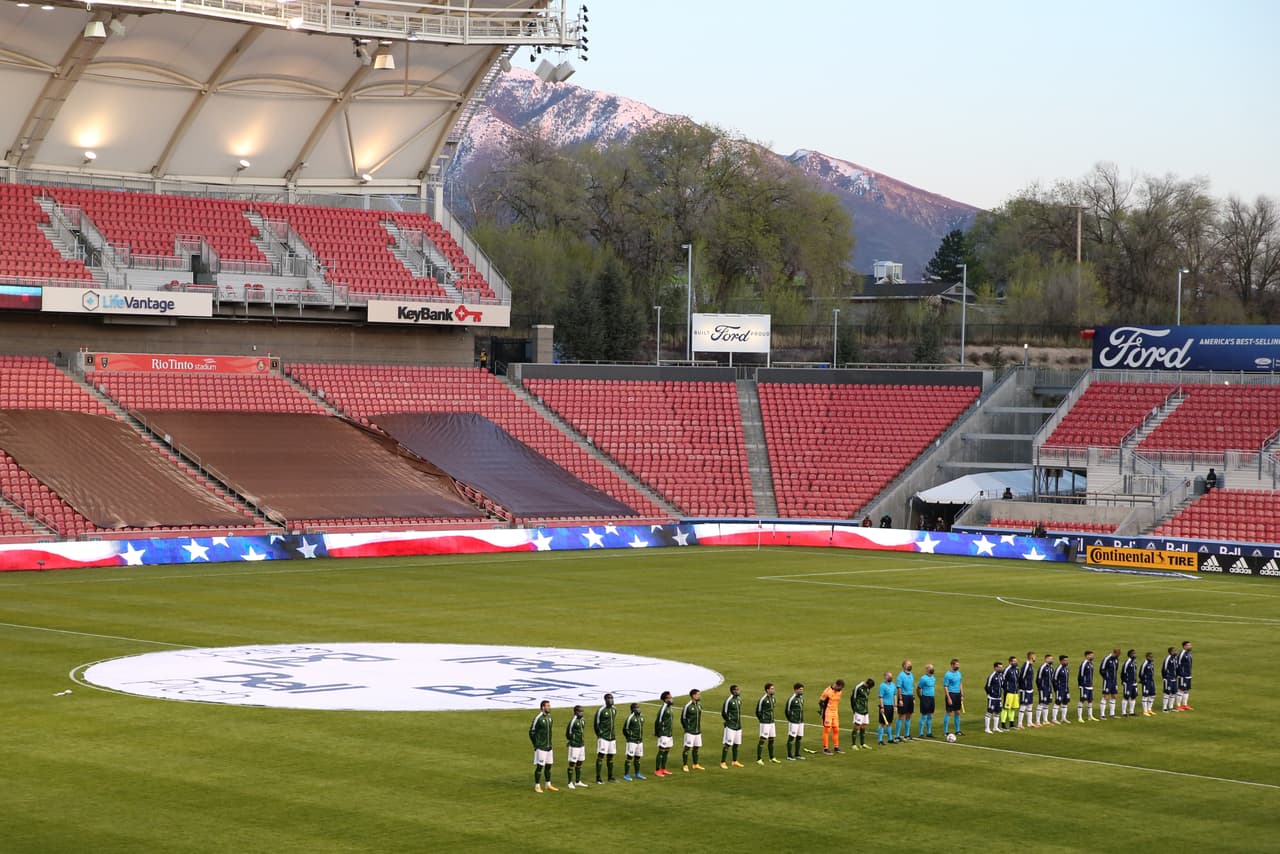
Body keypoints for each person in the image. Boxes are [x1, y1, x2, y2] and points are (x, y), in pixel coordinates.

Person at [529, 700, 558, 793]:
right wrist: (536, 744)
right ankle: (537, 786)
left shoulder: (550, 718)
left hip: (549, 746)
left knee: (549, 766)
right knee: (540, 766)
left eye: (549, 705)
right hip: (541, 747)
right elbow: (532, 731)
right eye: (547, 706)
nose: (549, 707)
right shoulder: (538, 718)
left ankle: (548, 785)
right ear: (542, 707)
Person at [593, 693, 618, 783]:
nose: (611, 700)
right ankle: (598, 778)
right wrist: (599, 735)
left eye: (612, 698)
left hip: (612, 737)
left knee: (611, 757)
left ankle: (610, 776)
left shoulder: (614, 709)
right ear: (605, 700)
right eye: (609, 698)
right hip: (603, 737)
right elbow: (596, 723)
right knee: (601, 756)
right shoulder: (601, 710)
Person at [755, 683, 781, 765]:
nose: (773, 690)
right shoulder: (763, 699)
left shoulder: (773, 699)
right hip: (765, 723)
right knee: (762, 740)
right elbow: (758, 711)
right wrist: (762, 720)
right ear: (767, 690)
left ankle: (771, 757)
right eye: (772, 689)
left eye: (773, 688)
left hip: (772, 722)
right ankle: (758, 758)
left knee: (772, 740)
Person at [720, 684, 744, 768]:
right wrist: (729, 721)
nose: (738, 691)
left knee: (736, 744)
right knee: (728, 744)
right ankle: (723, 762)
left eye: (738, 689)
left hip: (738, 725)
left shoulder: (739, 699)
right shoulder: (728, 700)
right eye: (736, 690)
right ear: (732, 691)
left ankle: (734, 761)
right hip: (730, 726)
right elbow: (724, 713)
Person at [564, 704, 588, 789]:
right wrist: (572, 740)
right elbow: (568, 733)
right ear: (575, 712)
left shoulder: (582, 720)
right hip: (574, 745)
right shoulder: (573, 721)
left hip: (581, 744)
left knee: (580, 762)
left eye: (582, 711)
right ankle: (569, 782)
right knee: (572, 763)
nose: (582, 713)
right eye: (580, 711)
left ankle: (578, 781)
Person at [681, 689, 705, 771]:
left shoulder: (699, 705)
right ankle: (685, 765)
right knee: (687, 748)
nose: (699, 696)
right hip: (690, 731)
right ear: (693, 696)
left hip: (697, 731)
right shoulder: (688, 706)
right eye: (698, 694)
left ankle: (695, 764)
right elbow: (683, 718)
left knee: (696, 748)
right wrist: (687, 728)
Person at [819, 679, 845, 753]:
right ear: (836, 685)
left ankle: (836, 747)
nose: (840, 690)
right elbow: (821, 701)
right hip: (828, 712)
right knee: (827, 730)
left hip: (835, 712)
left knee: (836, 729)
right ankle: (825, 748)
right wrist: (822, 711)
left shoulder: (839, 691)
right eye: (839, 688)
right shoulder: (827, 691)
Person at [653, 691, 675, 776]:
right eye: (669, 698)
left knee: (666, 751)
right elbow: (658, 721)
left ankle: (663, 768)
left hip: (669, 733)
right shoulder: (663, 708)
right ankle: (657, 770)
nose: (671, 699)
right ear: (665, 699)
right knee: (661, 751)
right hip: (663, 733)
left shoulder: (670, 707)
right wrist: (657, 732)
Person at [622, 702, 646, 781]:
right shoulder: (630, 718)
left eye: (639, 707)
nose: (639, 709)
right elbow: (625, 729)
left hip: (639, 741)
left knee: (638, 757)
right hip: (632, 741)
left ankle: (637, 773)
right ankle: (626, 774)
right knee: (629, 757)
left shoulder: (641, 717)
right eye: (637, 707)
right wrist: (629, 737)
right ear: (633, 709)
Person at [942, 658, 964, 736]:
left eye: (958, 665)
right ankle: (945, 731)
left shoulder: (959, 673)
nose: (958, 666)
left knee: (957, 712)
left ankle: (957, 730)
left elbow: (960, 683)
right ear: (952, 665)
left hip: (958, 694)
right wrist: (948, 698)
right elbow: (945, 686)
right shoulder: (947, 675)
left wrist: (962, 694)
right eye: (956, 665)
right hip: (951, 694)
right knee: (949, 712)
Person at [851, 677, 875, 748]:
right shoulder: (858, 687)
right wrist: (854, 709)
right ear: (867, 683)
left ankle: (862, 744)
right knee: (856, 726)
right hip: (858, 710)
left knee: (864, 726)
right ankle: (854, 744)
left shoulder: (868, 688)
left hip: (865, 710)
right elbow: (853, 698)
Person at [785, 682, 806, 760]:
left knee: (799, 737)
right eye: (800, 689)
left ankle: (797, 754)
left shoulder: (801, 698)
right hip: (794, 722)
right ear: (795, 690)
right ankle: (789, 755)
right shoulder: (791, 699)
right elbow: (787, 711)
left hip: (801, 721)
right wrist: (791, 719)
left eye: (802, 689)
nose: (802, 691)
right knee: (791, 738)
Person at [895, 661, 915, 742]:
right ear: (904, 666)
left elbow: (912, 687)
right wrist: (900, 699)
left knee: (909, 715)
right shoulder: (901, 675)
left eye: (910, 664)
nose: (910, 665)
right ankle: (897, 736)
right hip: (903, 696)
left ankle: (907, 735)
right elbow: (899, 687)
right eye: (908, 664)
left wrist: (913, 697)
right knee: (901, 716)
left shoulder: (911, 675)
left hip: (910, 697)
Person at [916, 664, 937, 738]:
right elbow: (918, 689)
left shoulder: (934, 678)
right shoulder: (923, 678)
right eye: (931, 668)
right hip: (925, 698)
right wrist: (921, 698)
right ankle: (921, 733)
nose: (932, 669)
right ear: (927, 669)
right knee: (924, 716)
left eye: (932, 668)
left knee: (930, 715)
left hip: (931, 698)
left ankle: (929, 732)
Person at [877, 671, 897, 745]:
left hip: (891, 706)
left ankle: (890, 739)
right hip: (884, 706)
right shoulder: (882, 686)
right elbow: (881, 697)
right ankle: (880, 740)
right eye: (889, 676)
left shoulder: (893, 685)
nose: (890, 677)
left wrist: (895, 705)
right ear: (885, 677)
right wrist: (882, 707)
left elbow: (895, 695)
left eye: (891, 676)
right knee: (882, 723)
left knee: (890, 723)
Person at [984, 661, 1005, 734]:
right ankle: (987, 728)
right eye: (999, 667)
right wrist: (991, 694)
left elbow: (1001, 685)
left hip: (998, 698)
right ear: (995, 667)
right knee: (989, 712)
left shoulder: (1000, 675)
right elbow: (987, 686)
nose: (1001, 669)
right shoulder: (992, 676)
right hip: (992, 698)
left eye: (1001, 667)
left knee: (997, 712)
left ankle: (995, 727)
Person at [1001, 655, 1020, 730]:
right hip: (1008, 692)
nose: (1016, 662)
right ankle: (1003, 724)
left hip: (1015, 692)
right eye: (1014, 661)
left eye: (1016, 661)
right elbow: (1002, 679)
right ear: (1010, 662)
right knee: (1006, 708)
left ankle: (1011, 724)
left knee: (1013, 707)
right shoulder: (1007, 669)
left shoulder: (1016, 669)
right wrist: (1006, 688)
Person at [1099, 648, 1119, 721]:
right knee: (1105, 697)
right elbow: (1101, 669)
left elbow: (1115, 669)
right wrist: (1106, 677)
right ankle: (1102, 715)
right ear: (1114, 653)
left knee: (1114, 696)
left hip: (1114, 681)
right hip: (1107, 681)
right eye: (1117, 654)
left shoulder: (1116, 659)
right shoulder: (1107, 659)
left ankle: (1112, 714)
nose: (1118, 656)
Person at [1017, 653, 1037, 729]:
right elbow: (1021, 677)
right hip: (1025, 689)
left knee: (1030, 706)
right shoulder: (1026, 665)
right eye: (1035, 656)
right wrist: (1022, 687)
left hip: (1030, 689)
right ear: (1031, 657)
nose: (1035, 658)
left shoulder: (1030, 665)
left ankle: (1029, 722)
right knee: (1023, 706)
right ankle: (1019, 724)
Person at [1077, 650, 1097, 722]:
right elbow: (1080, 675)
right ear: (1087, 656)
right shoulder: (1084, 664)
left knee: (1090, 701)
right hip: (1084, 686)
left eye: (1093, 655)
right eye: (1091, 655)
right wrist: (1081, 685)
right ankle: (1080, 717)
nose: (1092, 656)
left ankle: (1090, 716)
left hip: (1090, 685)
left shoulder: (1091, 664)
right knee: (1082, 700)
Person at [1036, 653, 1056, 726]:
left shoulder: (1051, 668)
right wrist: (1040, 688)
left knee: (1047, 704)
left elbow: (1052, 679)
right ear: (1046, 659)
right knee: (1041, 703)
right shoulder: (1042, 667)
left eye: (1052, 659)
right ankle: (1038, 721)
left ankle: (1045, 720)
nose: (1052, 660)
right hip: (1043, 689)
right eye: (1050, 659)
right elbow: (1038, 678)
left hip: (1049, 689)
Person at [1176, 640, 1194, 711]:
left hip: (1188, 675)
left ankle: (1184, 705)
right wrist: (1180, 674)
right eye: (1188, 645)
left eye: (1190, 645)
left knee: (1186, 690)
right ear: (1184, 646)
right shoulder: (1182, 654)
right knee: (1181, 690)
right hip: (1183, 675)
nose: (1190, 646)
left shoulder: (1189, 654)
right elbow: (1178, 664)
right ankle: (1178, 706)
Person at [1054, 655, 1072, 724]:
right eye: (1065, 660)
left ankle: (1063, 718)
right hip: (1060, 689)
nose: (1066, 662)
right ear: (1061, 661)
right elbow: (1054, 679)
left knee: (1065, 702)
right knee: (1058, 702)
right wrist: (1057, 689)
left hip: (1066, 689)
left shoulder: (1066, 668)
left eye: (1067, 660)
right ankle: (1054, 719)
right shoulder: (1059, 669)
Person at [1121, 649, 1139, 718]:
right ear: (1129, 655)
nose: (1134, 655)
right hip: (1128, 682)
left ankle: (1131, 712)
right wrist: (1124, 681)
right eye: (1133, 654)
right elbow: (1123, 672)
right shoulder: (1127, 662)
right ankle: (1124, 712)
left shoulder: (1134, 662)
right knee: (1126, 697)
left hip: (1134, 682)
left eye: (1135, 653)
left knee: (1133, 697)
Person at [1161, 646, 1179, 712]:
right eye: (1174, 651)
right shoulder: (1168, 658)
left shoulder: (1175, 658)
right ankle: (1164, 708)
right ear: (1171, 652)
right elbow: (1164, 669)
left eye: (1176, 650)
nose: (1176, 652)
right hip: (1168, 678)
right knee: (1167, 692)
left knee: (1173, 692)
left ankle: (1171, 707)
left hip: (1174, 678)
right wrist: (1165, 678)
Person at [1139, 652, 1157, 717]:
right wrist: (1144, 680)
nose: (1151, 658)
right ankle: (1145, 711)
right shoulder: (1145, 664)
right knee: (1145, 696)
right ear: (1147, 657)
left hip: (1151, 681)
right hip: (1146, 682)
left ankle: (1149, 709)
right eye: (1150, 657)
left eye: (1152, 657)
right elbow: (1141, 673)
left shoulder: (1151, 663)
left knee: (1152, 695)